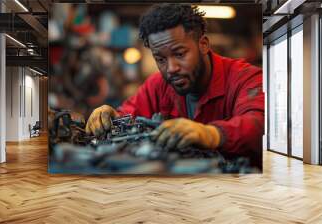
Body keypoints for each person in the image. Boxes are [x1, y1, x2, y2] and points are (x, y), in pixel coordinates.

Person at [85, 3, 264, 168]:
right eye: (161, 59)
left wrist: (210, 134)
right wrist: (109, 116)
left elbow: (258, 124)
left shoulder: (245, 78)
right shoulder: (158, 85)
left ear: (203, 45)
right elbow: (127, 115)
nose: (171, 69)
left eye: (179, 54)